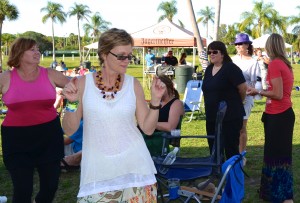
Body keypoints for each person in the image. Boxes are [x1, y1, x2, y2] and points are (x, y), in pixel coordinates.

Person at [61, 28, 166, 202]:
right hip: (97, 174)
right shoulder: (83, 83)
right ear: (104, 54)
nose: (127, 61)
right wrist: (72, 103)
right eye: (121, 56)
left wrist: (155, 101)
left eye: (129, 55)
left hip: (137, 171)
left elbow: (147, 129)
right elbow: (70, 129)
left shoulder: (133, 84)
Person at [0, 37, 69, 203]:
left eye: (38, 49)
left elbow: (76, 86)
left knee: (50, 186)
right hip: (17, 139)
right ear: (19, 53)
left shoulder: (50, 73)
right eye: (32, 49)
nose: (37, 52)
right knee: (23, 190)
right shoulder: (6, 77)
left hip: (48, 136)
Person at [247, 33, 295, 203]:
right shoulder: (284, 64)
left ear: (270, 46)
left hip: (278, 116)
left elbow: (277, 93)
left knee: (276, 157)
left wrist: (257, 91)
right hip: (282, 114)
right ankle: (280, 193)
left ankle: (281, 195)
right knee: (279, 157)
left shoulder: (275, 64)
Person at [202, 41, 247, 159]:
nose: (211, 54)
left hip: (230, 116)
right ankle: (217, 172)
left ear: (222, 54)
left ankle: (232, 173)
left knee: (230, 147)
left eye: (215, 52)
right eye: (209, 52)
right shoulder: (209, 69)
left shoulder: (231, 68)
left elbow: (242, 89)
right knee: (213, 146)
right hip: (212, 116)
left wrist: (238, 102)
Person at [232, 33, 261, 154]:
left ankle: (241, 154)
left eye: (240, 43)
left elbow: (256, 83)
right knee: (232, 127)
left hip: (246, 97)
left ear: (247, 45)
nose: (238, 46)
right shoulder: (233, 60)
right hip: (232, 97)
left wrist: (246, 92)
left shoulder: (253, 62)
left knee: (241, 128)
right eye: (236, 44)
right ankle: (233, 152)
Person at [141, 75, 184, 148]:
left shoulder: (176, 103)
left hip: (161, 138)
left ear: (168, 87)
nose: (156, 89)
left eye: (160, 87)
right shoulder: (157, 102)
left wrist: (150, 124)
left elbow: (170, 127)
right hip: (151, 135)